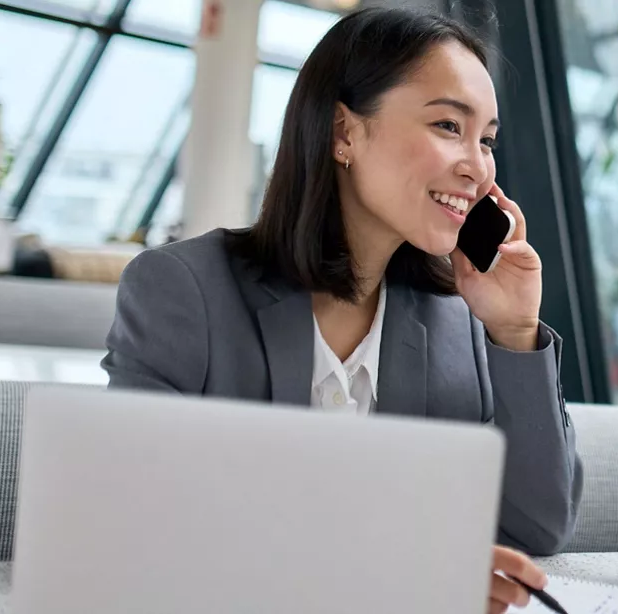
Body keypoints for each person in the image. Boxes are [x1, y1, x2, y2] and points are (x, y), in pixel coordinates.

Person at [100, 7, 578, 613]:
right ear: (343, 133)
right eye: (448, 127)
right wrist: (393, 568)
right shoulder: (182, 291)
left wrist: (513, 331)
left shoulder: (456, 320)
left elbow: (536, 531)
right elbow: (136, 521)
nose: (478, 167)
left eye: (486, 140)